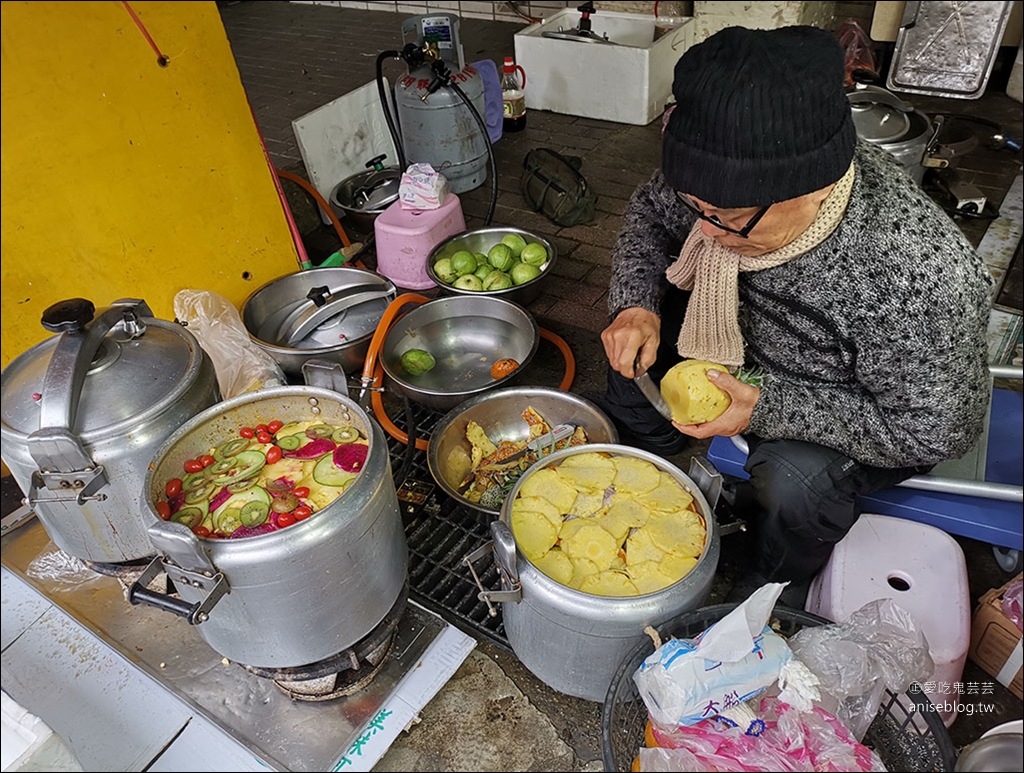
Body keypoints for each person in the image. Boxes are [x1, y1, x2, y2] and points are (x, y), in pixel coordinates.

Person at [592, 25, 994, 599]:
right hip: (735, 328)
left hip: (832, 396)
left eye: (727, 218)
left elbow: (935, 432)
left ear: (814, 186)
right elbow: (651, 217)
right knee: (631, 341)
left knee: (791, 485)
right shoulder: (717, 190)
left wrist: (768, 408)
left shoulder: (915, 279)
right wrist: (635, 303)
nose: (703, 230)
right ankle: (648, 445)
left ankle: (767, 580)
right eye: (695, 206)